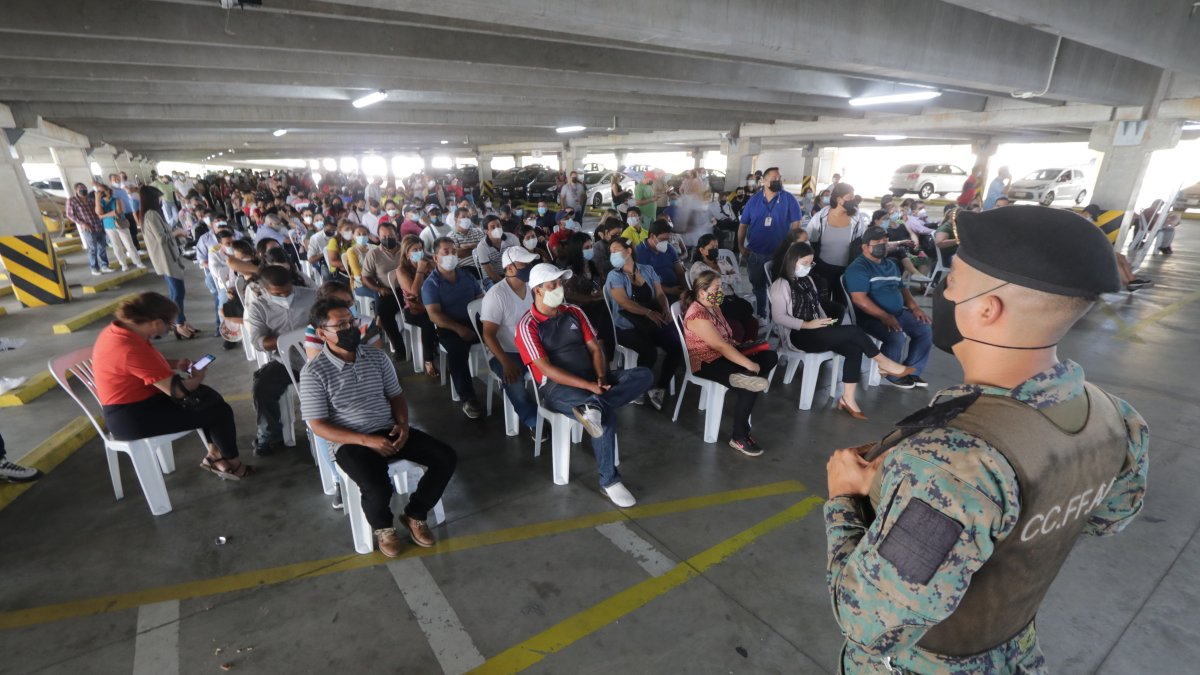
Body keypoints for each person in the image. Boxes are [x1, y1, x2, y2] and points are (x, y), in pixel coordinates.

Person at [824, 205, 1148, 673]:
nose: (940, 292)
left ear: (986, 309)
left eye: (951, 281)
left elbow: (868, 623)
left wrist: (843, 500)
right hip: (1016, 653)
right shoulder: (1116, 417)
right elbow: (1107, 519)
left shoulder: (951, 463)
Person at [300, 297, 457, 556]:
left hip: (387, 428)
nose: (350, 328)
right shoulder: (314, 372)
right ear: (321, 333)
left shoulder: (376, 357)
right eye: (340, 325)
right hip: (349, 441)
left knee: (445, 457)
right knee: (377, 485)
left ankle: (415, 513)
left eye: (351, 321)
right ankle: (384, 528)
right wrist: (366, 441)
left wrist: (403, 425)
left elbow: (396, 396)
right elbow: (317, 425)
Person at [515, 264, 653, 507]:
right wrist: (588, 387)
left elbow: (594, 348)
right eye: (553, 285)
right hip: (558, 389)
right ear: (537, 290)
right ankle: (609, 481)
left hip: (593, 378)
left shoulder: (574, 311)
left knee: (643, 375)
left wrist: (600, 378)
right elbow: (547, 370)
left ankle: (593, 409)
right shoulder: (527, 325)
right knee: (603, 416)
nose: (560, 288)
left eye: (560, 283)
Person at [93, 293, 247, 480]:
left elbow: (141, 365)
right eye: (170, 325)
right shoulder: (130, 348)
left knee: (206, 397)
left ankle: (215, 456)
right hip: (133, 418)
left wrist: (174, 364)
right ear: (157, 323)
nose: (169, 328)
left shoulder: (120, 330)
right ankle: (233, 463)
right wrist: (198, 377)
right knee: (218, 411)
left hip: (136, 405)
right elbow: (178, 391)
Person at [770, 242, 915, 419]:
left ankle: (848, 399)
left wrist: (825, 322)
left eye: (811, 263)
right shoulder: (780, 284)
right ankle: (884, 363)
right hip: (798, 335)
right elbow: (778, 317)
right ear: (793, 261)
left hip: (816, 330)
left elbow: (817, 306)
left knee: (854, 349)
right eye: (805, 263)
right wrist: (807, 325)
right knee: (853, 331)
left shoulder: (808, 280)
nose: (808, 267)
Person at [681, 270, 778, 455]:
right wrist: (749, 363)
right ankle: (739, 437)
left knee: (769, 356)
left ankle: (744, 377)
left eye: (721, 286)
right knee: (749, 388)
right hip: (706, 362)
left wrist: (744, 348)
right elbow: (719, 346)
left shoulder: (713, 306)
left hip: (725, 354)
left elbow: (727, 341)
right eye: (717, 287)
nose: (721, 290)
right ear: (702, 291)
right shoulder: (697, 315)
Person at [844, 226, 933, 390]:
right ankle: (891, 373)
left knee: (925, 327)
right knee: (896, 335)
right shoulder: (859, 268)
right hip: (871, 317)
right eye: (877, 242)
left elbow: (902, 288)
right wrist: (884, 316)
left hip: (897, 313)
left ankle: (911, 370)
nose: (883, 245)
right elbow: (859, 299)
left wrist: (915, 307)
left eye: (885, 242)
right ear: (865, 246)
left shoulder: (891, 264)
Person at [244, 265, 318, 455]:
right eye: (278, 293)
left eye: (288, 291)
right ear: (265, 289)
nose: (285, 296)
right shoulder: (259, 308)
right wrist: (287, 340)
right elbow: (258, 342)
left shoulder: (312, 296)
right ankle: (269, 435)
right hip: (287, 361)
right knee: (262, 386)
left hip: (319, 357)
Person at [606, 237, 682, 410]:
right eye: (611, 251)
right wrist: (648, 312)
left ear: (628, 251)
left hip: (651, 322)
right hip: (627, 326)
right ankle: (637, 389)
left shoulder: (647, 270)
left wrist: (665, 308)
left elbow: (660, 293)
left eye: (616, 250)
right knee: (649, 351)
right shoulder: (614, 275)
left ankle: (660, 388)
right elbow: (624, 302)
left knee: (676, 346)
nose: (612, 254)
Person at [480, 247, 541, 437]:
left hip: (532, 347)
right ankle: (534, 422)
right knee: (514, 381)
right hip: (506, 352)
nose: (529, 267)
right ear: (510, 268)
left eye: (530, 263)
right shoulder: (497, 295)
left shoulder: (533, 287)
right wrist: (505, 362)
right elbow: (488, 335)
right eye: (524, 264)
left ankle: (559, 408)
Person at [422, 237, 484, 418]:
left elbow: (480, 298)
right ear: (435, 258)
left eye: (454, 252)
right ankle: (468, 398)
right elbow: (434, 315)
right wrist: (459, 329)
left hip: (473, 320)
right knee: (457, 352)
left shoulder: (467, 275)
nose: (451, 255)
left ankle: (508, 382)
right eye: (446, 252)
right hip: (448, 325)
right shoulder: (431, 284)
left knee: (498, 335)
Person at [737, 167, 803, 319]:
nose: (778, 181)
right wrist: (740, 246)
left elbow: (796, 223)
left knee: (778, 289)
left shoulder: (788, 199)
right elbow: (743, 225)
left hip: (780, 254)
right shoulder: (753, 201)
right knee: (758, 287)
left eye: (779, 178)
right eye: (774, 178)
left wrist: (791, 246)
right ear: (764, 181)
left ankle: (777, 320)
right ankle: (761, 315)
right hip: (756, 253)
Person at [139, 185, 197, 339]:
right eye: (158, 198)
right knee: (177, 292)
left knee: (175, 292)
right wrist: (177, 232)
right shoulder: (151, 215)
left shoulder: (149, 214)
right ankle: (178, 325)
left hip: (166, 258)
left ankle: (181, 321)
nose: (161, 201)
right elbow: (161, 238)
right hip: (166, 259)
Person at [808, 182, 869, 311]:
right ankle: (822, 329)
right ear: (838, 199)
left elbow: (862, 242)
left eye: (853, 197)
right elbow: (809, 241)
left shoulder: (856, 219)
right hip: (823, 268)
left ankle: (836, 328)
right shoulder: (821, 217)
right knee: (821, 304)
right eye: (849, 197)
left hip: (846, 270)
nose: (853, 200)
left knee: (841, 305)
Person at [688, 234, 757, 342]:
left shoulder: (721, 262)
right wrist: (727, 278)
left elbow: (738, 278)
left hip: (731, 299)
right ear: (702, 250)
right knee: (737, 329)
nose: (715, 250)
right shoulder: (698, 267)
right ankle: (735, 353)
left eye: (717, 247)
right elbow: (712, 286)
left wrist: (721, 279)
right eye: (712, 248)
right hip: (714, 304)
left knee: (752, 323)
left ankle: (750, 350)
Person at [392, 235, 441, 377]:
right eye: (415, 250)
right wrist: (420, 271)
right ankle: (428, 361)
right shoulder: (402, 270)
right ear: (407, 253)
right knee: (429, 323)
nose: (419, 252)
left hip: (431, 304)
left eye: (421, 249)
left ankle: (440, 346)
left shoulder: (428, 263)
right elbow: (413, 292)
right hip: (414, 310)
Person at [360, 221, 407, 359]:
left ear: (396, 235)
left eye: (391, 235)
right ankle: (399, 348)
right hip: (388, 291)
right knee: (384, 314)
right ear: (379, 237)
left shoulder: (405, 249)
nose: (387, 238)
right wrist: (379, 288)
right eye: (384, 236)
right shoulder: (373, 254)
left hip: (408, 288)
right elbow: (365, 277)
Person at [635, 221, 687, 300]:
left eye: (667, 240)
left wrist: (685, 290)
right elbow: (646, 282)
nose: (665, 242)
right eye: (662, 239)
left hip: (676, 288)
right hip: (658, 293)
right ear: (652, 236)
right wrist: (670, 290)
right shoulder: (639, 252)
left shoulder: (669, 248)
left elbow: (680, 272)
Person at [95, 182, 141, 271]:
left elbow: (118, 212)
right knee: (116, 246)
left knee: (129, 244)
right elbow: (99, 213)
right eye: (99, 192)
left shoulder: (116, 199)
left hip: (121, 223)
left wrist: (103, 216)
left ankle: (138, 262)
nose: (101, 193)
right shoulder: (100, 202)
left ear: (108, 190)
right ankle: (123, 264)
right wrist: (97, 199)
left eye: (102, 191)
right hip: (109, 226)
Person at [67, 182, 111, 275]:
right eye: (81, 189)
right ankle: (94, 268)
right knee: (92, 249)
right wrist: (82, 223)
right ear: (76, 190)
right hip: (88, 228)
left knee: (102, 247)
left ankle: (104, 265)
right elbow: (70, 214)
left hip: (98, 226)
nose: (83, 190)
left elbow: (97, 211)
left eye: (84, 188)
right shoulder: (72, 200)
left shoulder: (91, 199)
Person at [474, 214, 520, 283]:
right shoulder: (482, 247)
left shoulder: (512, 238)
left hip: (511, 273)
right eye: (493, 227)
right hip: (491, 278)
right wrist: (506, 284)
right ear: (486, 231)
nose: (497, 228)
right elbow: (490, 272)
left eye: (498, 225)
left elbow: (519, 257)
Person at [342, 224, 376, 300]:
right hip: (360, 284)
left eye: (364, 234)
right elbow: (357, 273)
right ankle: (379, 311)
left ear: (368, 236)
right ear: (353, 236)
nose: (362, 236)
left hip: (376, 280)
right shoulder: (351, 251)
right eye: (359, 234)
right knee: (377, 292)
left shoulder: (374, 248)